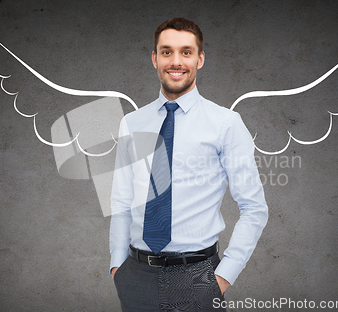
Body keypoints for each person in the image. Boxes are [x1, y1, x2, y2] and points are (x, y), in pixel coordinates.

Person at [109, 17, 268, 311]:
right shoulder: (132, 122)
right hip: (135, 275)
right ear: (155, 59)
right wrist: (118, 266)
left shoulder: (225, 124)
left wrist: (221, 277)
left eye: (186, 52)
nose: (176, 61)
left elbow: (254, 207)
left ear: (200, 59)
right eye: (167, 52)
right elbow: (121, 202)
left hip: (198, 276)